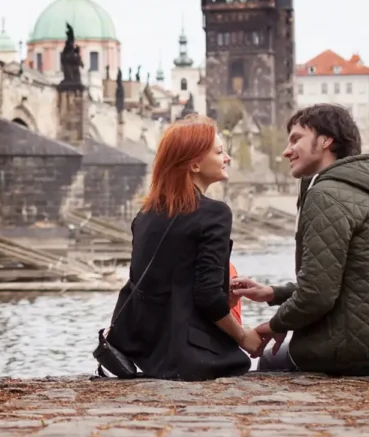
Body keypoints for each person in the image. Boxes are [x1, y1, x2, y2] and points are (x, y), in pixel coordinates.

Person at [233, 103, 369, 376]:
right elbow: (343, 281)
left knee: (271, 363)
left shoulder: (327, 194)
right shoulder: (362, 188)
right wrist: (273, 293)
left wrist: (272, 326)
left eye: (296, 139)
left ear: (326, 140)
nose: (286, 151)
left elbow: (318, 295)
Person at [104, 115, 260, 381]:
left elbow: (159, 288)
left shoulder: (145, 215)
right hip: (193, 358)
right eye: (220, 151)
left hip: (146, 355)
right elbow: (207, 298)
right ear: (195, 164)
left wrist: (225, 296)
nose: (228, 158)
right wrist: (244, 337)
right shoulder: (215, 213)